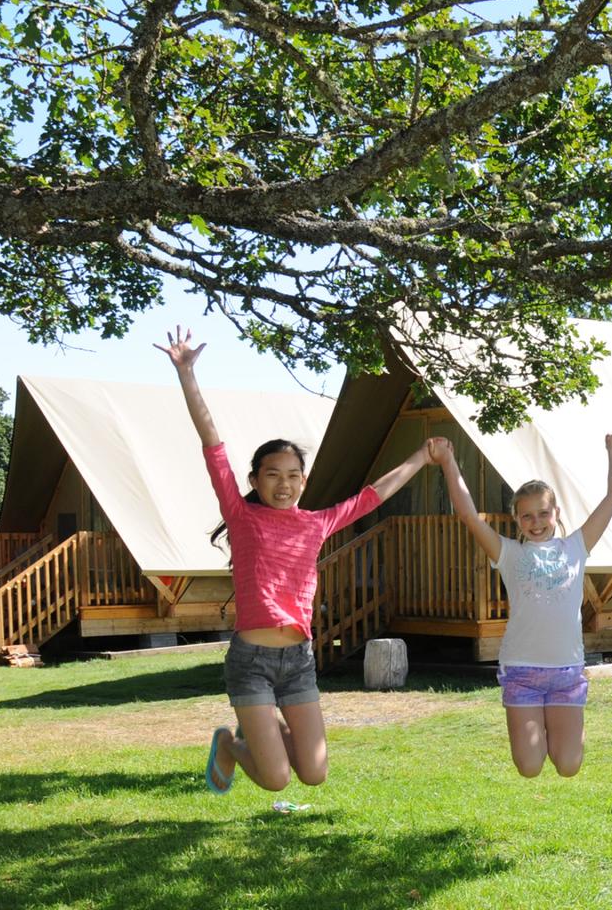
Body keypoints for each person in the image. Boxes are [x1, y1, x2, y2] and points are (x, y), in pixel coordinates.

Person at [161, 326, 434, 794]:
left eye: (292, 476)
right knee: (276, 780)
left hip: (299, 660)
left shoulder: (317, 522)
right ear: (254, 478)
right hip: (251, 660)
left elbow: (373, 496)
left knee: (315, 773)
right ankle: (231, 742)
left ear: (304, 482)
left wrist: (421, 456)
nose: (283, 484)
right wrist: (187, 374)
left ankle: (262, 727)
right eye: (273, 475)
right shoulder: (241, 515)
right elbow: (212, 444)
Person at [430, 433, 612, 779]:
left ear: (556, 513)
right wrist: (448, 462)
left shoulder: (576, 547)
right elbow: (469, 516)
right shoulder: (509, 553)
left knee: (568, 766)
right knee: (529, 767)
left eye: (543, 513)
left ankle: (559, 725)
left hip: (566, 673)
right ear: (516, 519)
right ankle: (538, 726)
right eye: (527, 516)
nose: (536, 522)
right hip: (523, 672)